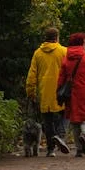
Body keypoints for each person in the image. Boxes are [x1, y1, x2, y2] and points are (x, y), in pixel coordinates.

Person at [25, 27, 70, 157]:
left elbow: (32, 75)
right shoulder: (64, 51)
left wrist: (31, 92)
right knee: (66, 113)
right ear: (57, 37)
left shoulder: (38, 53)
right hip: (61, 90)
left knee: (48, 120)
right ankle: (60, 135)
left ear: (45, 38)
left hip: (44, 91)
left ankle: (51, 149)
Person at [58, 32, 85, 158]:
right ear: (82, 43)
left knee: (75, 121)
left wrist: (59, 92)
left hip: (71, 94)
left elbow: (61, 79)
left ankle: (79, 150)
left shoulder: (66, 60)